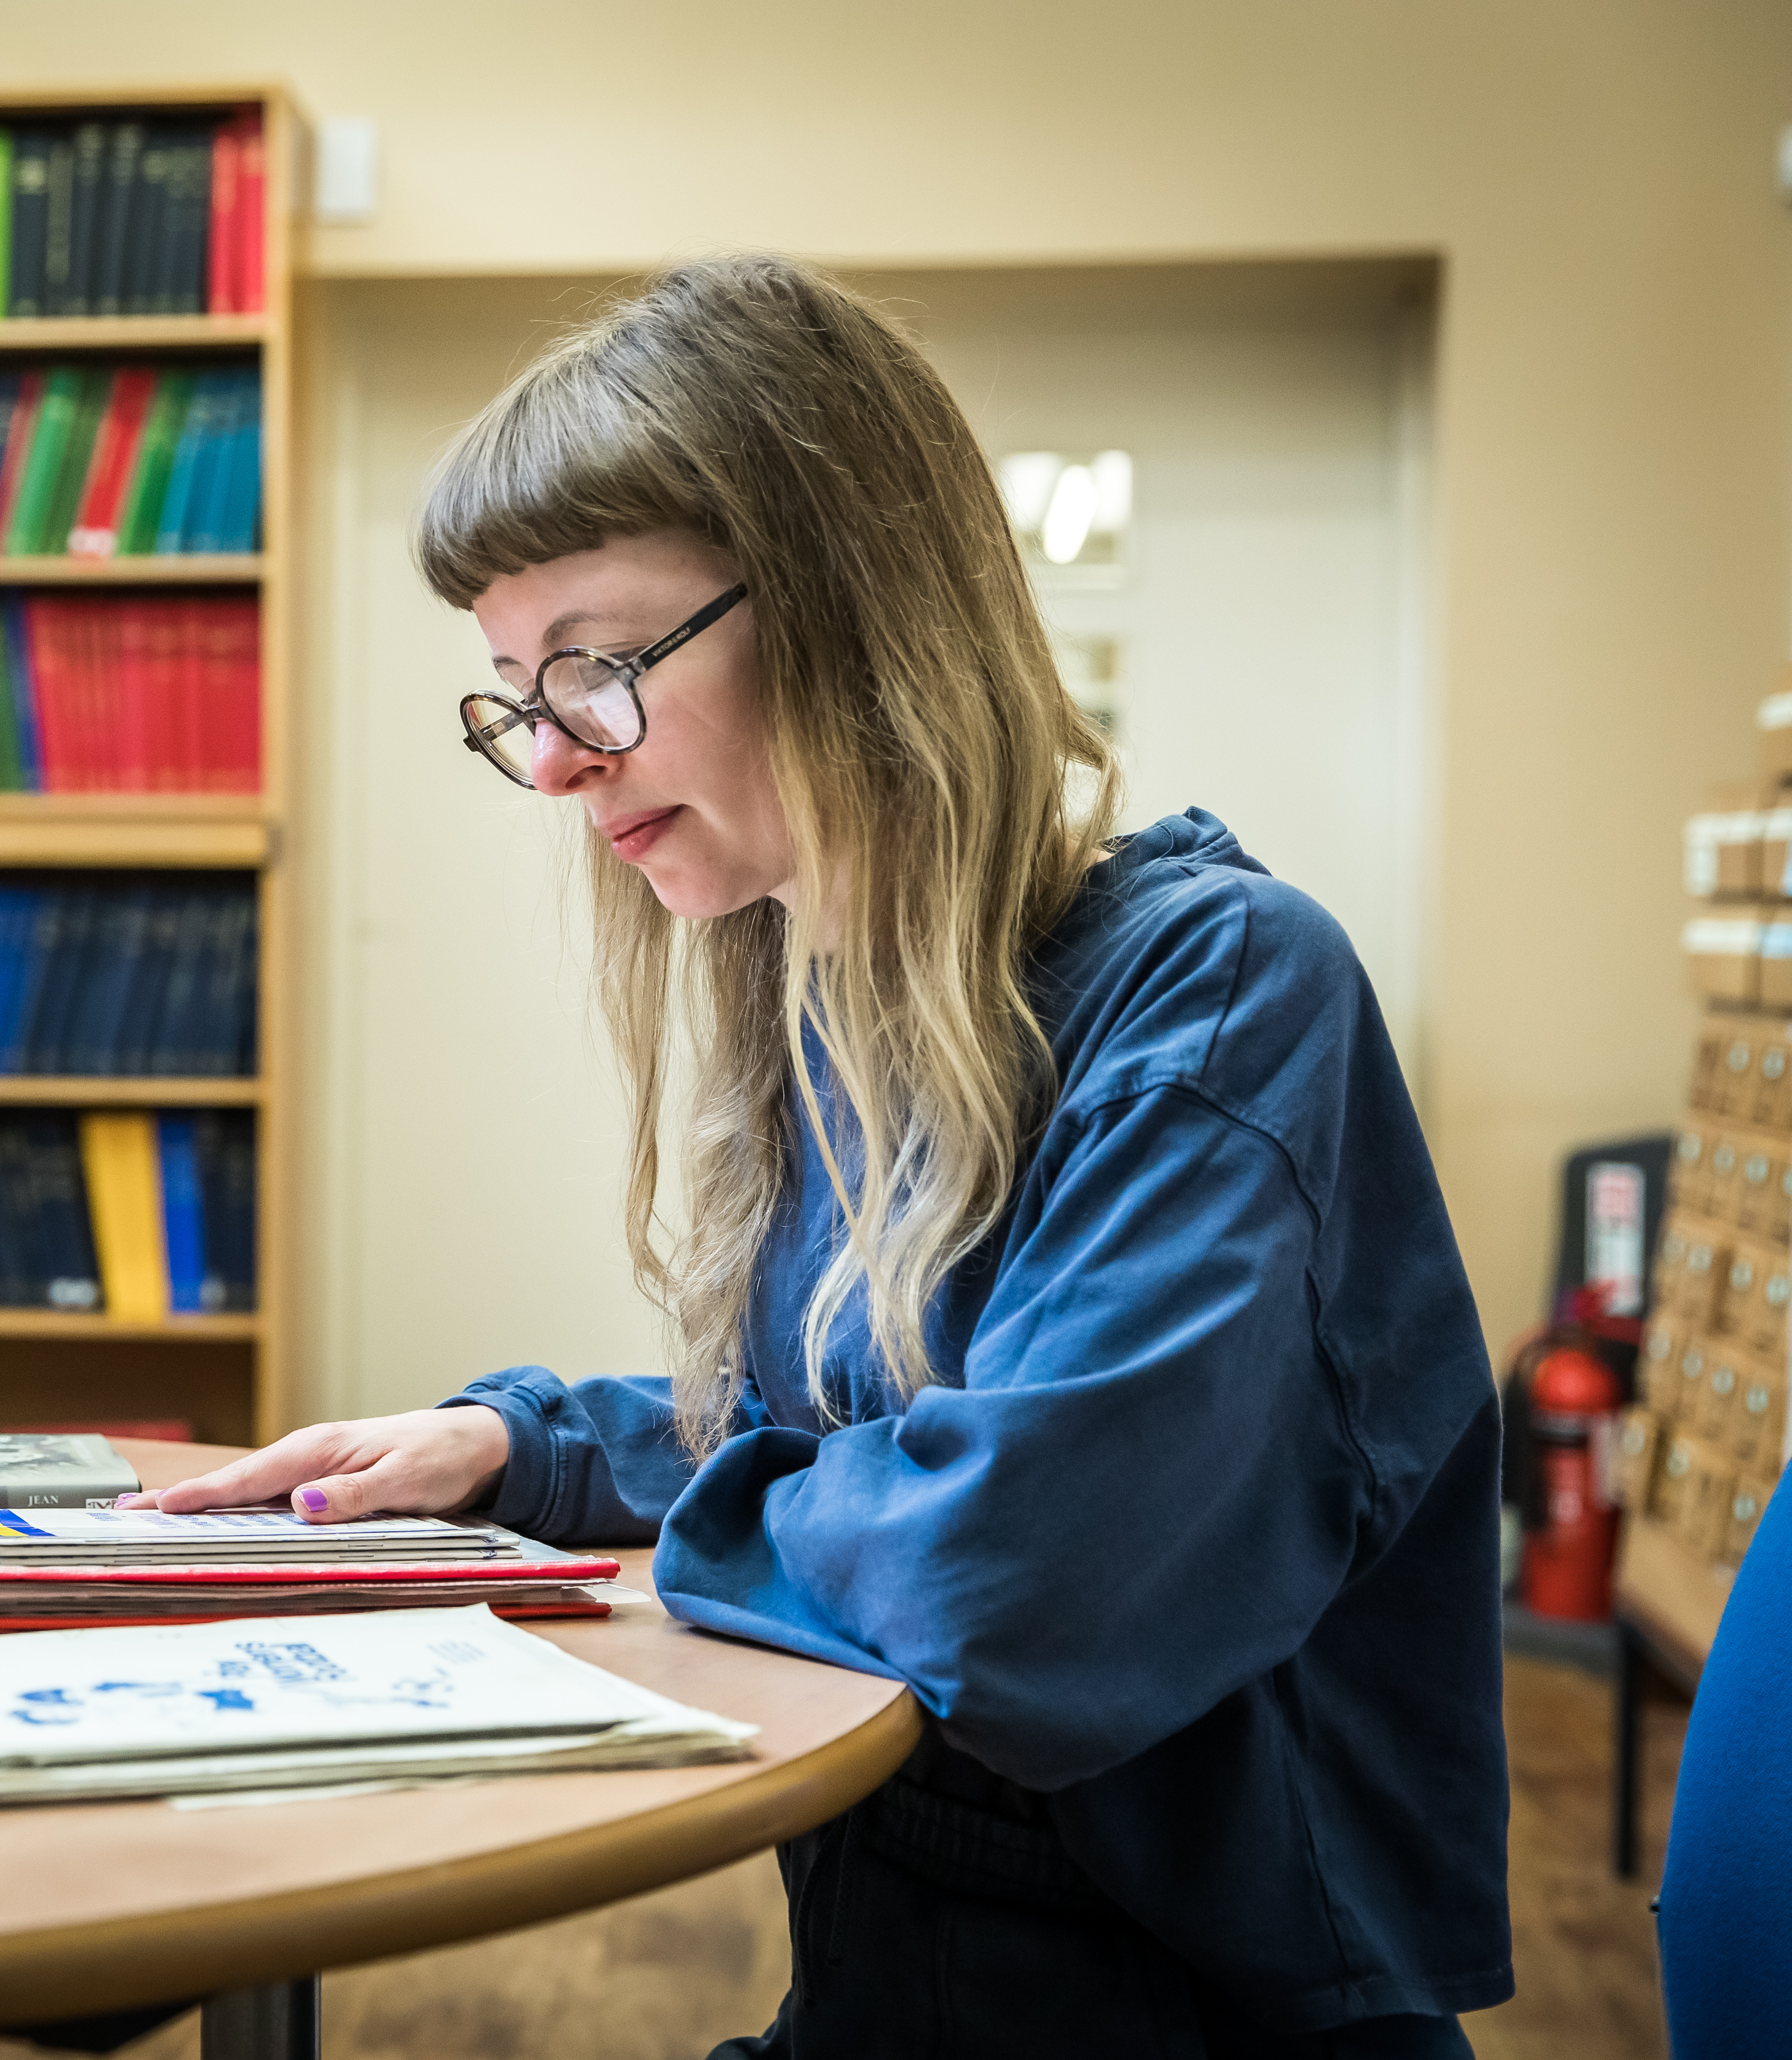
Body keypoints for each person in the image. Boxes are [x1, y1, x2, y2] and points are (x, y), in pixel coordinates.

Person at [127, 254, 1510, 2056]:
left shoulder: (1225, 987)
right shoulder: (827, 993)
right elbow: (869, 1441)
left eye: (598, 669)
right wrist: (533, 1448)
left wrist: (673, 1527)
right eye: (513, 699)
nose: (550, 766)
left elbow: (1008, 1577)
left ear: (852, 595)